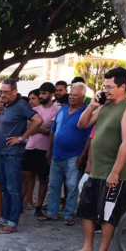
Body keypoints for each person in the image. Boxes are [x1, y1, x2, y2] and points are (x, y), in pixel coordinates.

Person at [67, 67, 126, 251]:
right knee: (86, 210)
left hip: (114, 173)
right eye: (104, 86)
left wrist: (115, 172)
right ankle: (87, 249)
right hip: (96, 170)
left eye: (109, 86)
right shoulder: (105, 106)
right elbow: (82, 124)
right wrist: (92, 105)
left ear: (123, 86)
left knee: (108, 215)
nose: (105, 89)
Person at [0, 79, 42, 233]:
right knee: (6, 187)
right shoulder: (7, 105)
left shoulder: (21, 105)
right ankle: (6, 217)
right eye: (2, 91)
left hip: (13, 154)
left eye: (6, 92)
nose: (3, 95)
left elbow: (38, 120)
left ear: (15, 91)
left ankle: (12, 222)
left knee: (13, 188)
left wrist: (21, 138)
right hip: (3, 153)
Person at [41, 82, 91, 224]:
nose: (71, 97)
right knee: (54, 185)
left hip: (74, 155)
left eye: (75, 95)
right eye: (71, 94)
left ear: (83, 97)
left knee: (72, 186)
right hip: (57, 154)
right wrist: (49, 149)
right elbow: (53, 130)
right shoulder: (62, 110)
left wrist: (83, 156)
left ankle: (69, 214)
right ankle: (52, 212)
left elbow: (89, 138)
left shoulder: (86, 113)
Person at [22, 82, 59, 217]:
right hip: (30, 147)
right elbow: (27, 127)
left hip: (44, 149)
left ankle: (39, 205)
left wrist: (36, 126)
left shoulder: (56, 110)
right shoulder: (35, 110)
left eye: (44, 93)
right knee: (26, 176)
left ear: (51, 94)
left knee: (43, 178)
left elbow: (51, 129)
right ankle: (21, 202)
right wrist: (40, 127)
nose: (41, 96)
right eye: (40, 93)